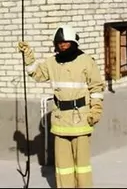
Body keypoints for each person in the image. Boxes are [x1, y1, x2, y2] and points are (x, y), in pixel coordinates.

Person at [17, 25, 105, 188]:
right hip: (60, 122)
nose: (62, 46)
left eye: (65, 42)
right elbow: (37, 74)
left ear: (73, 42)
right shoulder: (52, 62)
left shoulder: (86, 61)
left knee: (82, 166)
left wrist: (96, 109)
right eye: (59, 43)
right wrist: (28, 56)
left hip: (81, 119)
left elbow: (96, 87)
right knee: (63, 167)